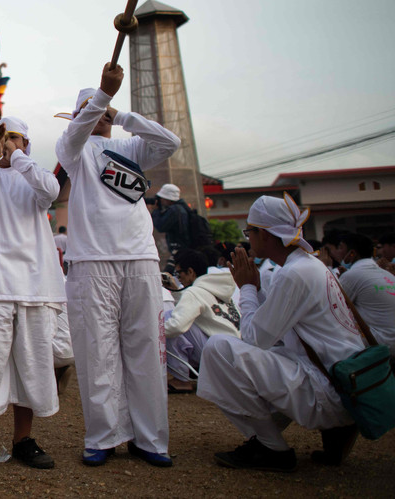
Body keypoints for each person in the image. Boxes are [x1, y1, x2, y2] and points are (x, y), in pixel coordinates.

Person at [55, 63, 181, 468]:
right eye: (92, 110)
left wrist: (121, 114)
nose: (101, 116)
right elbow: (73, 136)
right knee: (97, 351)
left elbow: (169, 142)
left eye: (105, 111)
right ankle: (103, 435)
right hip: (92, 262)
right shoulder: (75, 151)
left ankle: (150, 439)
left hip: (140, 258)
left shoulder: (131, 149)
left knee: (146, 348)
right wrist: (101, 98)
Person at [198, 194, 365, 470]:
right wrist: (256, 287)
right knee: (259, 357)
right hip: (343, 385)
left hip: (327, 391)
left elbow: (254, 339)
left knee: (218, 349)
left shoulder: (294, 273)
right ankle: (272, 436)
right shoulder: (308, 266)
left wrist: (248, 288)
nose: (248, 238)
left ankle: (271, 447)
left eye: (250, 232)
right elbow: (274, 331)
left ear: (264, 234)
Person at [0, 117, 65, 475]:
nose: (8, 142)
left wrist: (17, 154)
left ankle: (23, 440)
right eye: (4, 136)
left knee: (32, 364)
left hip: (36, 284)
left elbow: (50, 191)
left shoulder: (34, 175)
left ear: (27, 143)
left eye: (15, 136)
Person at [163, 249, 240, 394]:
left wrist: (149, 330)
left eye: (179, 274)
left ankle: (181, 379)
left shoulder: (195, 292)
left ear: (191, 272)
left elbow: (176, 326)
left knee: (168, 319)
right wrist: (175, 290)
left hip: (219, 356)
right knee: (182, 319)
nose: (179, 279)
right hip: (234, 355)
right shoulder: (214, 289)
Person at [337, 233, 395, 355]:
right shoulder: (387, 274)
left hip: (381, 343)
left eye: (341, 248)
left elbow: (334, 309)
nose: (338, 252)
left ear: (352, 253)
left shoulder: (352, 275)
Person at [150, 183, 190, 262]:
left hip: (180, 249)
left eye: (161, 198)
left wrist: (155, 211)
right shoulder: (181, 208)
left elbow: (161, 226)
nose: (160, 200)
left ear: (167, 198)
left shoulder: (174, 210)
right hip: (184, 247)